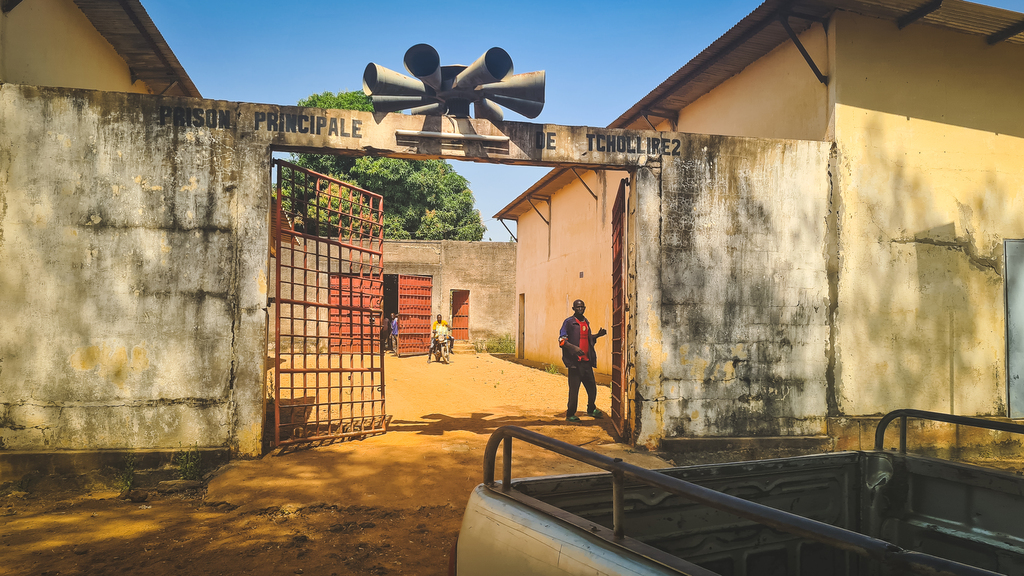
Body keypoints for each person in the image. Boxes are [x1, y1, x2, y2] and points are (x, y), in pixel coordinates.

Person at [558, 299, 607, 422]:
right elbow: (561, 340)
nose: (580, 309)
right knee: (574, 390)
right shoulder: (569, 322)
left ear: (585, 308)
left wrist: (597, 335)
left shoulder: (586, 322)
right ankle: (570, 414)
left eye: (582, 307)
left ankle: (591, 409)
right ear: (574, 309)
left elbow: (587, 338)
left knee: (592, 388)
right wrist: (573, 348)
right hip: (575, 364)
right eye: (578, 307)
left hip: (586, 362)